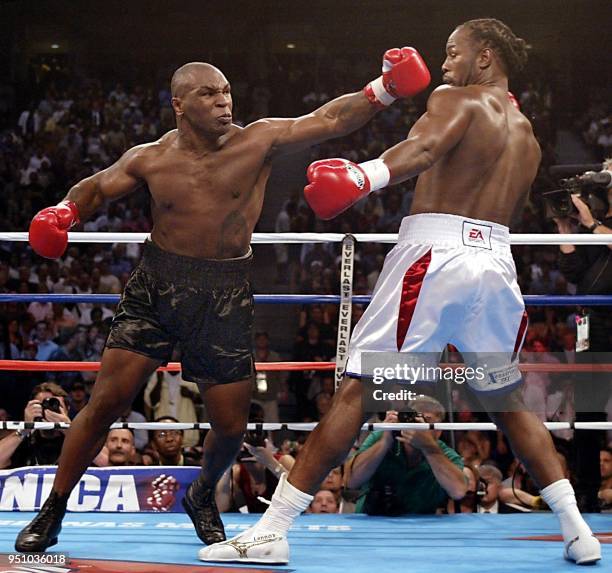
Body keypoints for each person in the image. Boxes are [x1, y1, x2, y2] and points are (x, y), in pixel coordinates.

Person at [200, 18, 601, 565]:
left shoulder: (455, 100)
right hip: (497, 265)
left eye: (454, 52)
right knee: (505, 397)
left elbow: (422, 151)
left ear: (485, 58)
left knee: (361, 390)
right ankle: (577, 529)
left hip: (437, 259)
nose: (445, 64)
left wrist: (361, 176)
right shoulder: (526, 133)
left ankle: (270, 532)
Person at [16, 51, 431, 552]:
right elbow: (98, 188)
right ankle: (53, 509)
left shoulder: (257, 139)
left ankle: (200, 494)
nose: (223, 101)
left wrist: (383, 88)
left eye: (226, 92)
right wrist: (64, 211)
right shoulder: (151, 156)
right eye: (209, 94)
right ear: (179, 105)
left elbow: (328, 119)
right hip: (157, 286)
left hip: (225, 292)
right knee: (104, 402)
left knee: (232, 427)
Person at [345, 399, 465, 516]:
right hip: (374, 520)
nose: (418, 427)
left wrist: (429, 448)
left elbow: (458, 491)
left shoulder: (444, 453)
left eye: (426, 421)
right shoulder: (382, 437)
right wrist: (385, 443)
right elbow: (351, 481)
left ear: (438, 430)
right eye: (415, 419)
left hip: (422, 526)